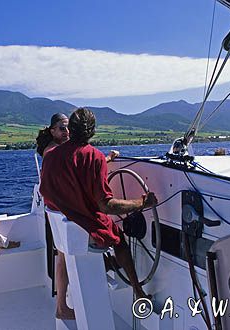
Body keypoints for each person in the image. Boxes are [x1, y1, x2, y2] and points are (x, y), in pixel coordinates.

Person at [40, 108, 157, 303]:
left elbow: (46, 189)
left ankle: (108, 265)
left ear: (71, 129)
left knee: (107, 234)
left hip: (62, 226)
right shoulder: (93, 156)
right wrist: (143, 202)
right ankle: (137, 289)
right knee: (119, 240)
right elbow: (107, 206)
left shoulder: (51, 155)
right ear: (92, 131)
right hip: (83, 228)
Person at [36, 112, 121, 320]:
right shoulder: (54, 152)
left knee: (62, 257)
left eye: (67, 128)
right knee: (110, 236)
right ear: (52, 130)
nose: (66, 132)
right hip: (63, 211)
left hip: (55, 210)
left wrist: (105, 158)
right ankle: (63, 306)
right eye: (61, 128)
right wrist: (103, 159)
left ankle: (62, 305)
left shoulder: (52, 151)